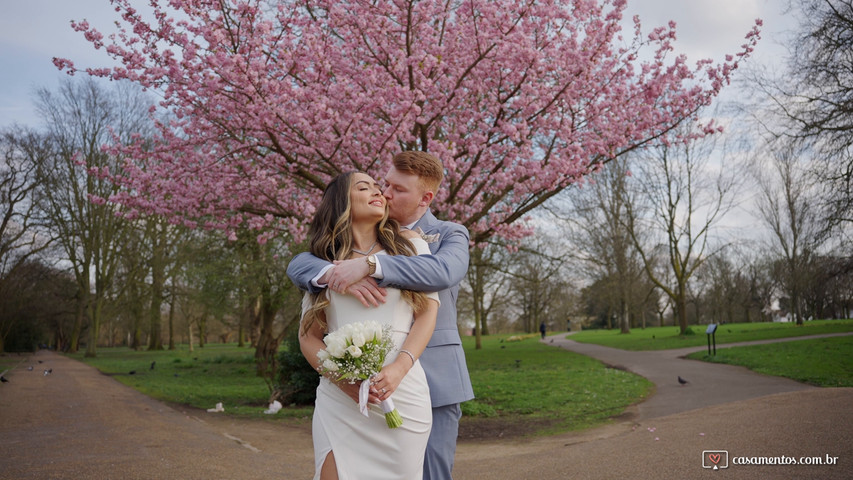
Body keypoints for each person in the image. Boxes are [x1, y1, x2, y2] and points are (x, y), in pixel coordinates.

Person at [288, 151, 474, 480]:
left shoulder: (444, 235)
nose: (384, 193)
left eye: (396, 189)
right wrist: (335, 271)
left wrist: (371, 265)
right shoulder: (325, 261)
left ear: (425, 198)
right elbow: (300, 273)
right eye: (380, 185)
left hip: (425, 380)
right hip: (344, 397)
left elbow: (442, 272)